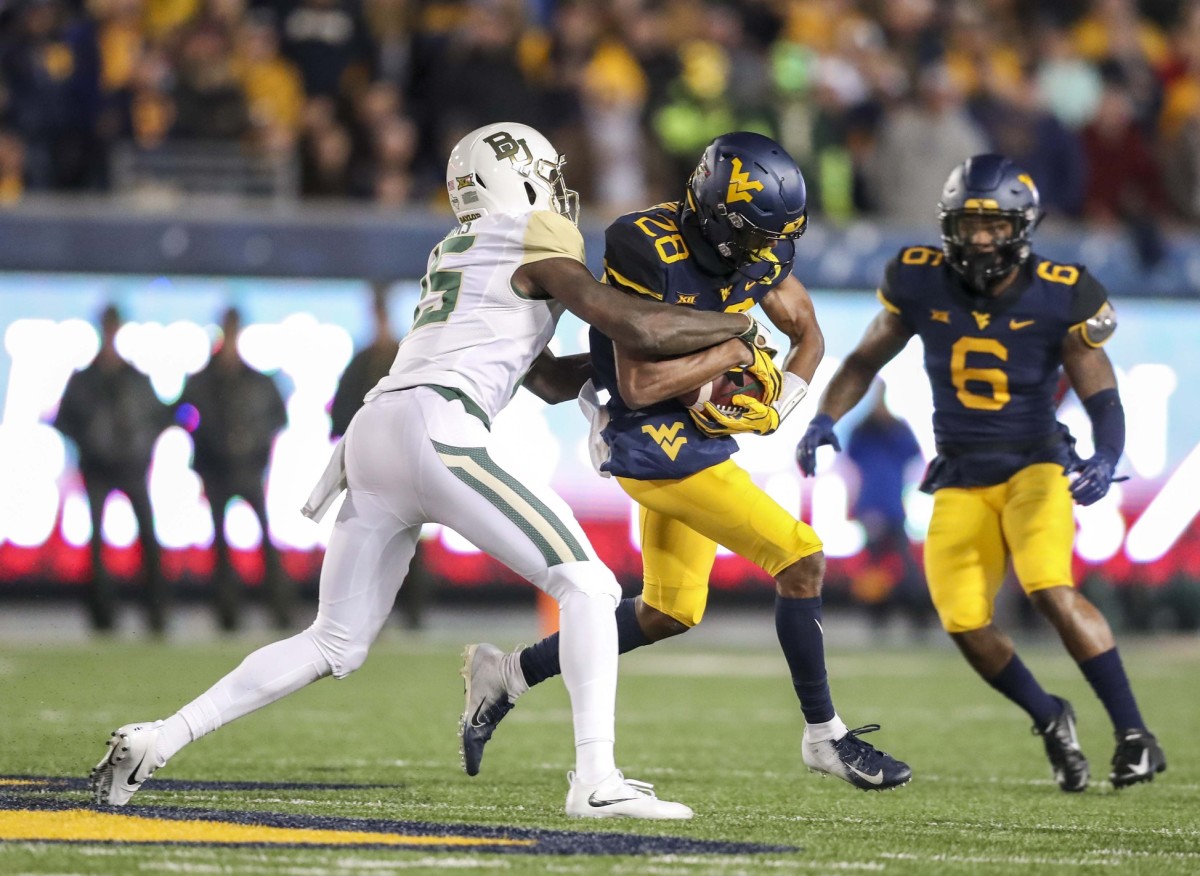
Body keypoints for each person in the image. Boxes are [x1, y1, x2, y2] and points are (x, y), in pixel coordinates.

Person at [91, 122, 770, 819]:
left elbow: (542, 379)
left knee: (333, 641)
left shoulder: (458, 249)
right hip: (435, 427)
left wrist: (662, 370)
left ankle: (159, 738)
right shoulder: (533, 231)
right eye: (548, 174)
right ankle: (595, 781)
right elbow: (638, 328)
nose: (560, 190)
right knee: (590, 586)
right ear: (520, 177)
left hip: (376, 430)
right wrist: (735, 331)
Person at [459, 131, 913, 792]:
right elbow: (641, 385)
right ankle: (827, 737)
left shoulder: (759, 249)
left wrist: (789, 394)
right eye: (756, 236)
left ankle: (507, 674)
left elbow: (806, 330)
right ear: (717, 217)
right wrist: (730, 353)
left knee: (669, 610)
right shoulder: (644, 244)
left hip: (696, 434)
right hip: (646, 437)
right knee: (800, 556)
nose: (768, 252)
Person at [796, 153, 1165, 792]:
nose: (980, 238)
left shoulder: (1061, 289)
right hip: (961, 475)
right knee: (964, 621)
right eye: (968, 225)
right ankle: (1050, 716)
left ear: (1021, 227)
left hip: (1035, 465)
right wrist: (824, 418)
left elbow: (1101, 392)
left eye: (993, 226)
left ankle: (1135, 734)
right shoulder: (918, 280)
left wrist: (1107, 455)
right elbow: (861, 362)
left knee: (1049, 587)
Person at [53, 304, 173, 633]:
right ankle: (102, 613)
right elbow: (65, 420)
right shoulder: (86, 378)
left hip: (132, 468)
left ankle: (156, 611)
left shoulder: (134, 378)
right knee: (97, 545)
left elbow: (160, 417)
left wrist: (142, 445)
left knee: (147, 538)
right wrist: (90, 441)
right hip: (98, 469)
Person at [178, 307, 292, 632]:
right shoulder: (204, 380)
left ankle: (280, 608)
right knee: (221, 546)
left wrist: (254, 446)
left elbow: (275, 418)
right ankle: (228, 612)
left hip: (247, 469)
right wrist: (206, 442)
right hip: (215, 471)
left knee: (265, 543)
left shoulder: (255, 380)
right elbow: (184, 414)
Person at [328, 282, 431, 629]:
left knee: (407, 540)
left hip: (403, 464)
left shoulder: (405, 357)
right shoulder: (366, 361)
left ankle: (412, 613)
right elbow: (341, 414)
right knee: (370, 544)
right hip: (373, 466)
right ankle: (376, 613)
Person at [843, 383, 931, 634]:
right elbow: (854, 462)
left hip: (891, 506)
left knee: (903, 566)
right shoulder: (864, 429)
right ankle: (877, 617)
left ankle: (916, 617)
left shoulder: (896, 429)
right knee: (874, 568)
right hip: (872, 505)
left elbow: (912, 454)